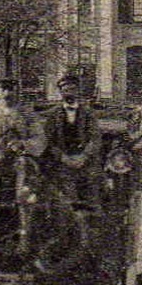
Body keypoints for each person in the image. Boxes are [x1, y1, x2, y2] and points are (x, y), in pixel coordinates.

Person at [0, 78, 46, 200]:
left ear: (16, 92)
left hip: (21, 155)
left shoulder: (27, 114)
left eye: (11, 89)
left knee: (28, 174)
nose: (7, 93)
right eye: (3, 89)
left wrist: (23, 145)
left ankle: (23, 200)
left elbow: (39, 137)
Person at [40, 72, 102, 209]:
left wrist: (84, 156)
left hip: (86, 160)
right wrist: (62, 157)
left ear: (79, 91)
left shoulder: (89, 113)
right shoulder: (53, 114)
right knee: (56, 188)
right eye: (65, 90)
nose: (69, 93)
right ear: (60, 92)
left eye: (72, 90)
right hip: (60, 161)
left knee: (94, 182)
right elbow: (48, 141)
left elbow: (95, 137)